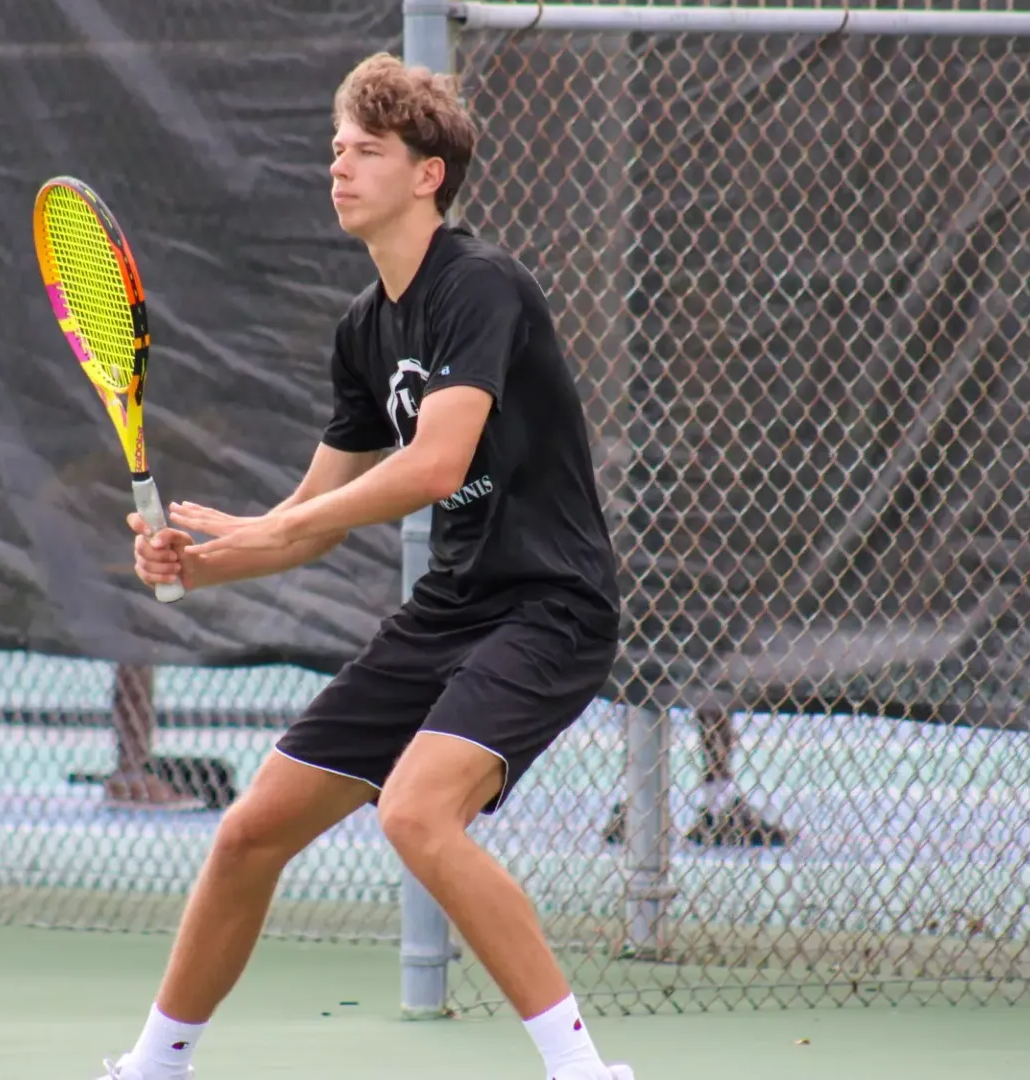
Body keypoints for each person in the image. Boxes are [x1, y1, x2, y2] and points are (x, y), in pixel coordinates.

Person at [94, 53, 635, 1080]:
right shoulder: (363, 331)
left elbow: (435, 465)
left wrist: (265, 536)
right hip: (452, 610)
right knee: (251, 831)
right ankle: (157, 1066)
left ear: (427, 174)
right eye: (335, 148)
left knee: (416, 812)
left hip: (550, 608)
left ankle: (583, 1072)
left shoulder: (481, 290)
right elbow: (309, 518)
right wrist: (208, 558)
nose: (338, 167)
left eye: (366, 151)